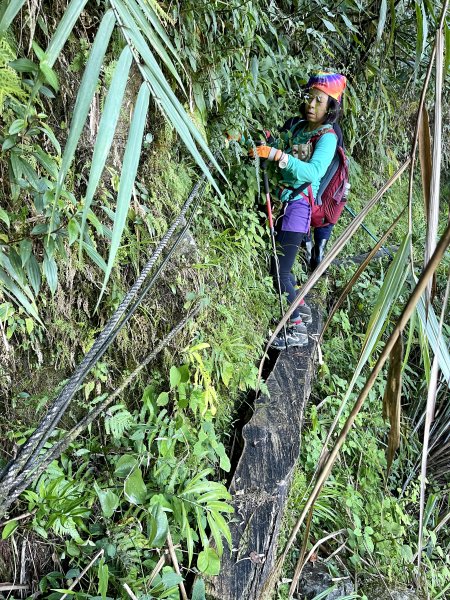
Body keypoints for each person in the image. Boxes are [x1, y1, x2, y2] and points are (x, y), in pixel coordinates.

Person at [251, 71, 347, 350]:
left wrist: (279, 156)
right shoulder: (298, 127)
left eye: (319, 101)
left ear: (331, 107)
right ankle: (301, 308)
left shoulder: (327, 137)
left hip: (298, 208)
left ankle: (297, 330)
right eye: (309, 98)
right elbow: (278, 141)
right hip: (281, 202)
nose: (311, 105)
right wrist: (264, 143)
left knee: (280, 270)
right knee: (283, 266)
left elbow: (314, 170)